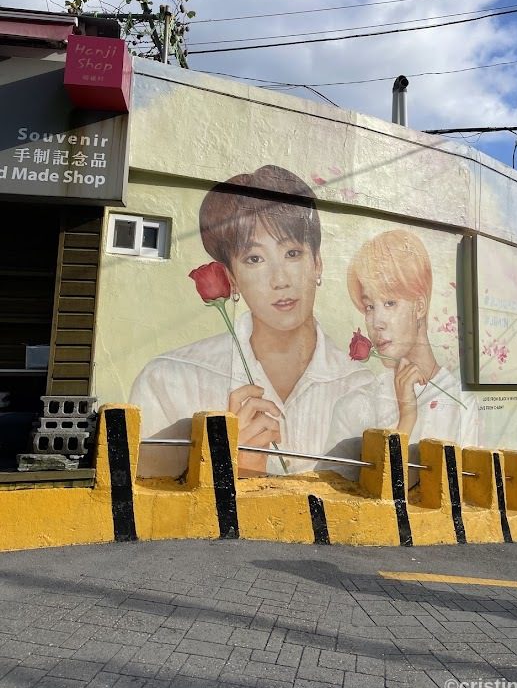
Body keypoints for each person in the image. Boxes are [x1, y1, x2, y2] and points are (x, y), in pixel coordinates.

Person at [131, 165, 372, 478]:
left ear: (318, 263)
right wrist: (234, 469)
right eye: (254, 259)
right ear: (232, 277)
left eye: (292, 253)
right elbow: (144, 510)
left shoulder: (361, 387)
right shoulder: (169, 380)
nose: (280, 279)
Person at [324, 229, 478, 478]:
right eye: (369, 306)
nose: (376, 322)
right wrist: (406, 418)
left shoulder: (460, 403)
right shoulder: (354, 406)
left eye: (390, 303)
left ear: (420, 306)